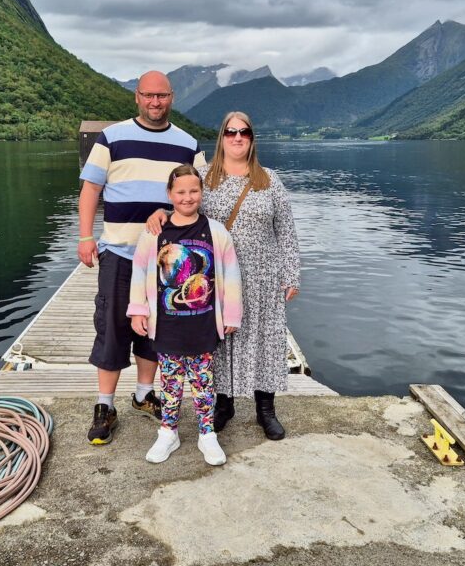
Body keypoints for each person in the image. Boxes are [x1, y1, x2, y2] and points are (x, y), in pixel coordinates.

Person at [147, 111, 299, 440]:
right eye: (231, 132)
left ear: (252, 138)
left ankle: (265, 409)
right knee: (220, 342)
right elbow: (181, 204)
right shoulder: (204, 177)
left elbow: (286, 232)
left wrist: (291, 275)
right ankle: (223, 405)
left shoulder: (269, 180)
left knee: (266, 341)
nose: (237, 137)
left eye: (244, 131)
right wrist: (159, 212)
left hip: (264, 277)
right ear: (222, 137)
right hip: (217, 277)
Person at [78, 71, 206, 445]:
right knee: (113, 327)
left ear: (172, 97)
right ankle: (105, 405)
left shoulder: (186, 144)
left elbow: (195, 194)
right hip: (118, 251)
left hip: (165, 258)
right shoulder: (112, 138)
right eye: (148, 95)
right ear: (137, 97)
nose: (155, 102)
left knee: (155, 329)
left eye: (162, 96)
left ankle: (142, 394)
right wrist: (86, 237)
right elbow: (91, 189)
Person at [128, 164, 242, 465]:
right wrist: (138, 310)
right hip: (166, 325)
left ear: (201, 193)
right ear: (170, 194)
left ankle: (207, 434)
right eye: (180, 192)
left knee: (204, 382)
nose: (187, 197)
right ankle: (169, 431)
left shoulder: (216, 232)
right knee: (170, 382)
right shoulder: (155, 232)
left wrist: (231, 314)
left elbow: (230, 273)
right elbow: (139, 271)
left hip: (203, 324)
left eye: (194, 191)